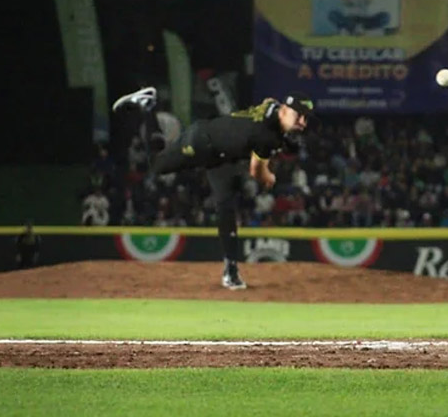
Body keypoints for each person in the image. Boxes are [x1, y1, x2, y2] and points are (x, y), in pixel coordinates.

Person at [113, 87, 314, 290]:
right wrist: (269, 176)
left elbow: (269, 99)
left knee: (226, 206)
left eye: (306, 119)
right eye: (300, 117)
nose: (303, 123)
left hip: (224, 158)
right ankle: (147, 107)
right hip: (202, 140)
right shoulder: (268, 137)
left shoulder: (274, 107)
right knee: (156, 165)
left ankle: (231, 272)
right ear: (286, 110)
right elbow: (257, 172)